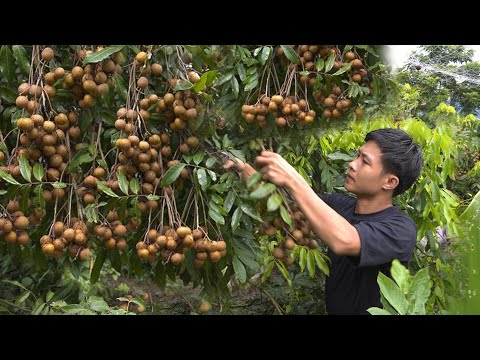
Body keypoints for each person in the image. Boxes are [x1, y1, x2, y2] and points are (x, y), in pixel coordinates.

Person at [224, 128, 423, 315]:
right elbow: (288, 204)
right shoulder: (340, 205)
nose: (352, 164)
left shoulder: (400, 229)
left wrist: (292, 178)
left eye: (365, 162)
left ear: (389, 182)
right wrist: (242, 169)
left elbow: (345, 240)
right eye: (357, 156)